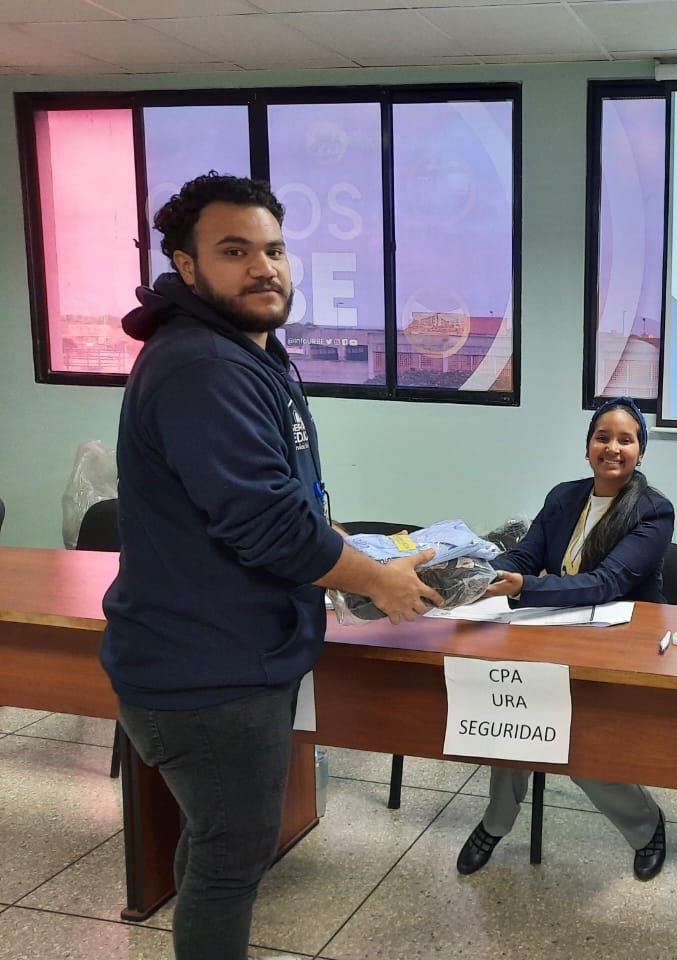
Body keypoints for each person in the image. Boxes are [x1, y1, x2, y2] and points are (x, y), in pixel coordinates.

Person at [101, 174, 443, 960]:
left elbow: (279, 494)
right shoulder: (201, 366)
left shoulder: (244, 349)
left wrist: (351, 544)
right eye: (235, 251)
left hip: (228, 656)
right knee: (231, 859)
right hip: (207, 674)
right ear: (186, 267)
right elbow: (262, 521)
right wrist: (373, 578)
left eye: (275, 249)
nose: (266, 268)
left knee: (219, 844)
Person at [455, 396, 673, 881]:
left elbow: (608, 583)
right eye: (602, 437)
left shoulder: (653, 511)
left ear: (641, 451)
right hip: (555, 631)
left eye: (625, 439)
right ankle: (496, 821)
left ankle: (646, 826)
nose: (612, 447)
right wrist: (481, 572)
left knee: (577, 745)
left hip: (620, 644)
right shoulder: (563, 496)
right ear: (587, 445)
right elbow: (526, 558)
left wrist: (525, 588)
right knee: (511, 714)